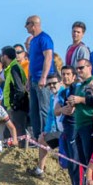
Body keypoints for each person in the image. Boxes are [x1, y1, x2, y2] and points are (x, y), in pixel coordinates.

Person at [24, 16, 55, 175]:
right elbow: (32, 62)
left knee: (44, 109)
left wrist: (44, 76)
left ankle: (45, 135)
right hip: (34, 79)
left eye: (27, 24)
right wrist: (29, 79)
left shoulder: (44, 38)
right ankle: (37, 136)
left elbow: (48, 57)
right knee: (34, 110)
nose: (26, 27)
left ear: (34, 24)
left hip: (43, 79)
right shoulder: (34, 40)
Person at [66, 59, 93, 171]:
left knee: (90, 158)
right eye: (77, 69)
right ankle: (86, 180)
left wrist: (80, 99)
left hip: (90, 123)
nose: (79, 71)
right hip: (79, 125)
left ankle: (92, 181)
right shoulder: (79, 86)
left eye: (81, 68)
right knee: (83, 160)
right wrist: (72, 103)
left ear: (89, 67)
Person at [1, 46, 29, 140]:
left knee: (18, 133)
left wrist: (14, 105)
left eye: (2, 56)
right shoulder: (12, 68)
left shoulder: (14, 68)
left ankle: (21, 149)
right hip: (13, 106)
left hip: (17, 107)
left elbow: (19, 89)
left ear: (5, 56)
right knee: (8, 134)